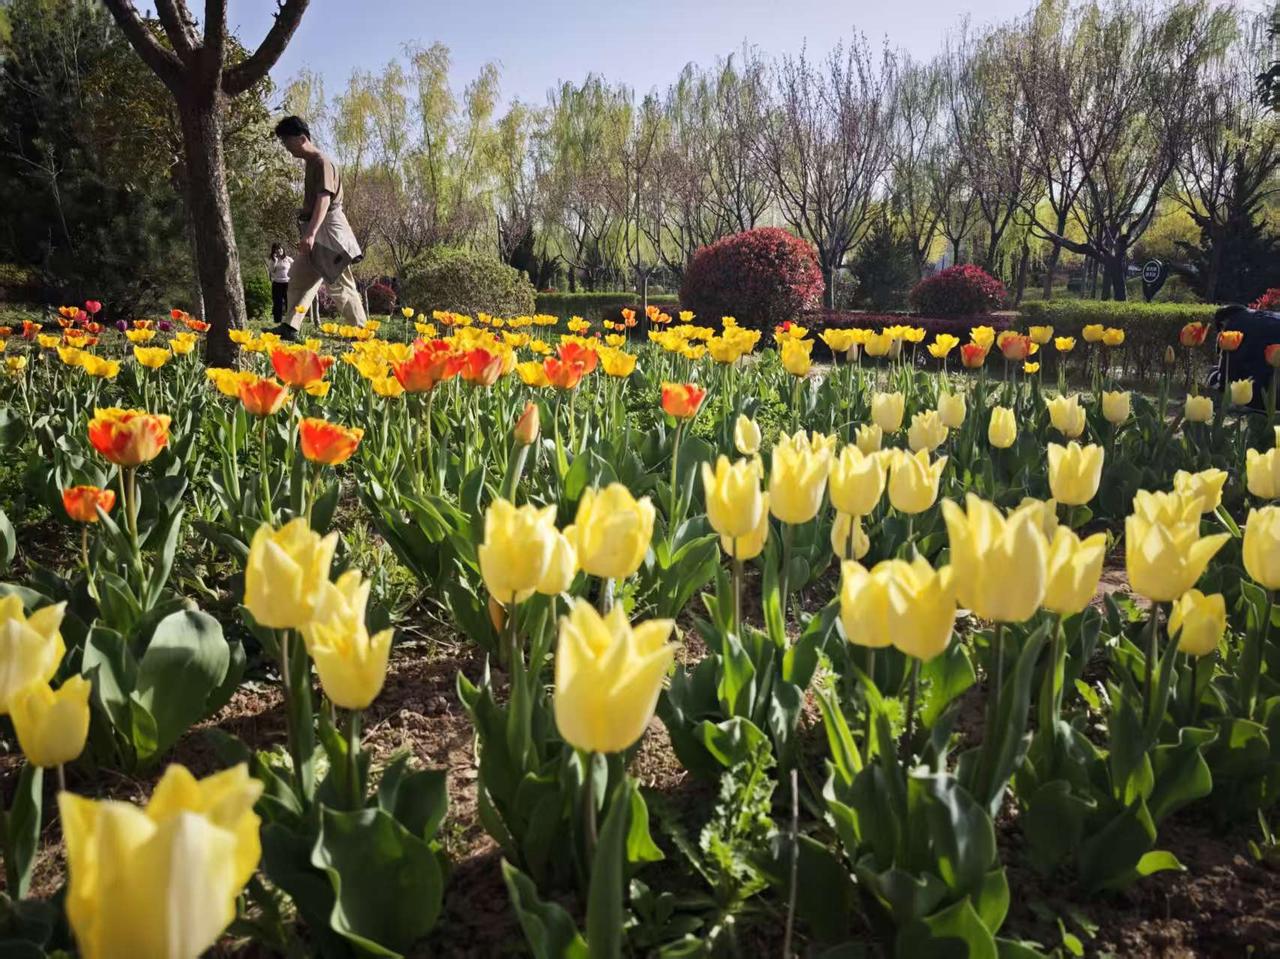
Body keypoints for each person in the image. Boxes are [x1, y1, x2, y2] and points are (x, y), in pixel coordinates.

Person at [271, 115, 367, 340]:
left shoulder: (323, 162)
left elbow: (324, 199)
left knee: (339, 285)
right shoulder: (311, 163)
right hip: (315, 230)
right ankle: (290, 327)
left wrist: (311, 234)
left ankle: (363, 334)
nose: (286, 147)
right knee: (298, 277)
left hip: (328, 232)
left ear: (302, 138)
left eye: (287, 142)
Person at [1209, 303, 1280, 411]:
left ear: (1223, 322)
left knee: (1214, 375)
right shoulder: (1270, 318)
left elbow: (1225, 378)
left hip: (1255, 399)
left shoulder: (1235, 326)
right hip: (1273, 394)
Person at [268, 243, 293, 327]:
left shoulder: (288, 259)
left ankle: (289, 321)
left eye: (281, 248)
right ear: (274, 251)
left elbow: (295, 268)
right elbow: (272, 271)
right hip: (277, 284)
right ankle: (277, 321)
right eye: (277, 249)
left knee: (289, 303)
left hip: (287, 284)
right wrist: (275, 261)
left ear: (283, 249)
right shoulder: (272, 260)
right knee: (277, 303)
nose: (279, 250)